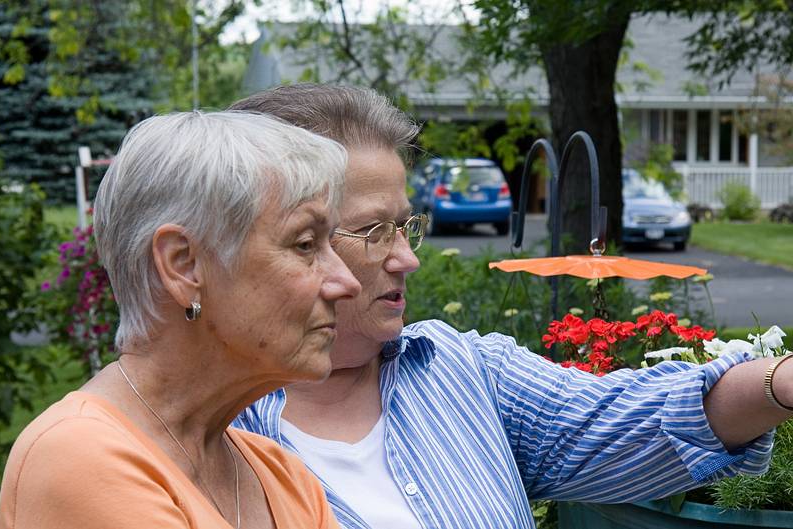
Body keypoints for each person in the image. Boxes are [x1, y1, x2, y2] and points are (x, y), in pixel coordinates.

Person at [230, 84, 792, 529]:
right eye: (375, 231)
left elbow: (637, 419)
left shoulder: (459, 371)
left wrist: (778, 383)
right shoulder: (200, 427)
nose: (407, 259)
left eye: (407, 226)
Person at [0, 110, 362, 529]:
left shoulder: (281, 475)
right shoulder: (81, 456)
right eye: (305, 244)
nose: (345, 282)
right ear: (184, 265)